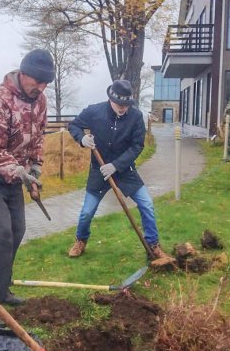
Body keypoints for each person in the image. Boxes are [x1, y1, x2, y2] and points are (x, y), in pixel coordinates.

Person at [0, 49, 54, 327]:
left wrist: (35, 169)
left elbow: (37, 138)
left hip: (16, 176)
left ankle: (2, 289)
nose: (39, 88)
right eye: (36, 81)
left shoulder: (39, 102)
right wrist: (20, 172)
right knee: (2, 233)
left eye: (44, 83)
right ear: (23, 73)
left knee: (18, 231)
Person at [67, 79, 169, 260]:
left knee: (147, 204)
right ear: (110, 99)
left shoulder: (136, 117)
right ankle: (81, 240)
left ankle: (153, 245)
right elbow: (74, 125)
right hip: (99, 171)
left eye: (126, 104)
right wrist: (82, 139)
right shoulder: (94, 111)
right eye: (119, 104)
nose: (122, 108)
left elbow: (137, 146)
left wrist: (116, 165)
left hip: (125, 170)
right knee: (87, 212)